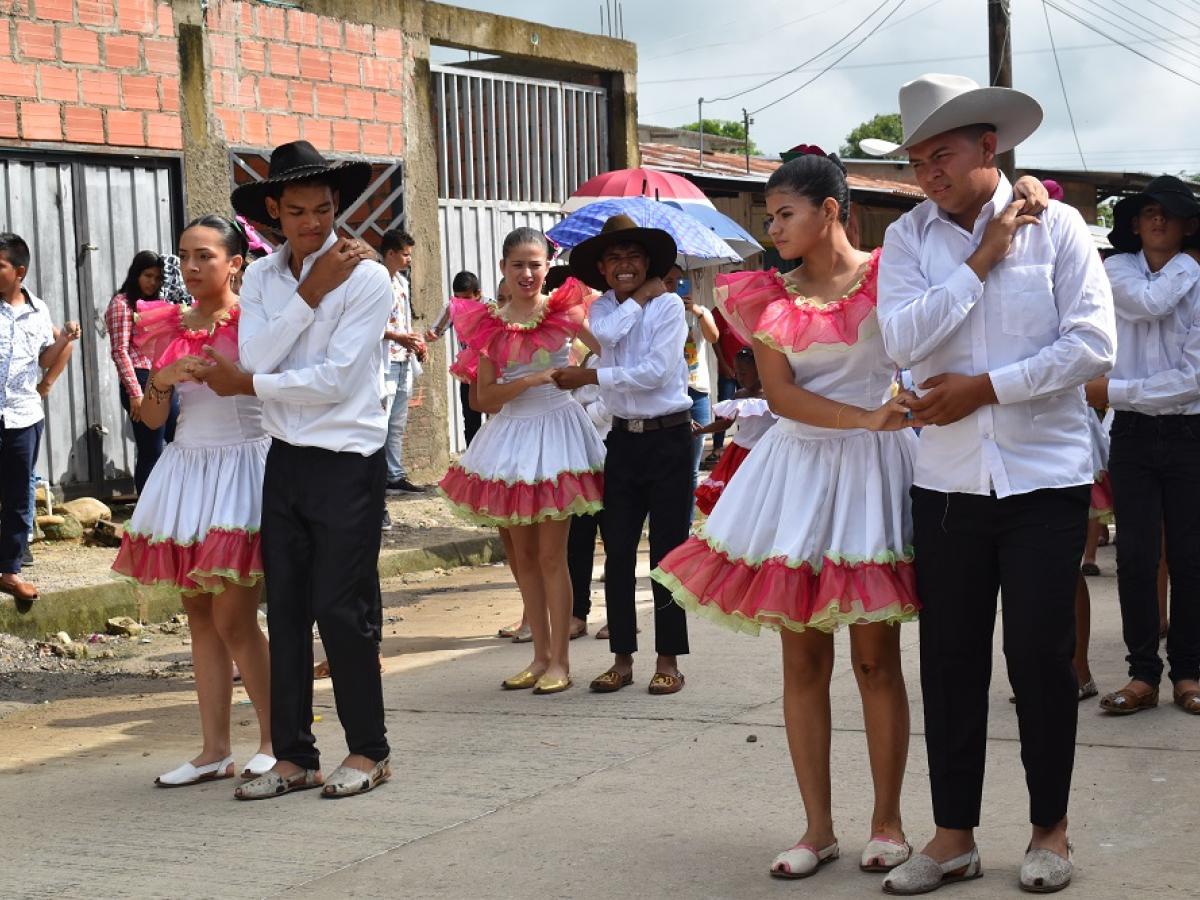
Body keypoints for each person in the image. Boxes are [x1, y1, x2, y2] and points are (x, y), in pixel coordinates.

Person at [868, 74, 1115, 894]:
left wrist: (987, 386)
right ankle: (952, 835)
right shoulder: (907, 240)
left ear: (988, 147)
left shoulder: (1064, 228)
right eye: (916, 161)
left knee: (1041, 655)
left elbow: (1090, 347)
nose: (927, 173)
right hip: (946, 483)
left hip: (1045, 478)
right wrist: (983, 256)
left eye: (942, 154)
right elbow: (900, 337)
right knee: (950, 657)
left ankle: (1051, 830)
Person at [650, 153, 920, 879]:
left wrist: (886, 417)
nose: (773, 229)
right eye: (770, 217)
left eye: (784, 214)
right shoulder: (766, 293)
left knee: (875, 659)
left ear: (830, 210)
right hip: (800, 470)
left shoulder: (892, 272)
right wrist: (864, 418)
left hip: (874, 473)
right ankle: (817, 828)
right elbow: (783, 396)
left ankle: (888, 824)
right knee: (802, 657)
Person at [211, 140, 392, 800]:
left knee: (341, 610)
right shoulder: (261, 278)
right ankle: (294, 756)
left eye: (322, 209)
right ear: (273, 212)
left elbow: (337, 382)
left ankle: (370, 750)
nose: (313, 224)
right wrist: (310, 294)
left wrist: (252, 385)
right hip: (284, 459)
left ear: (336, 204)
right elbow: (256, 350)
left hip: (348, 461)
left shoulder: (370, 278)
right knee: (285, 611)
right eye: (297, 212)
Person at [111, 215, 274, 787]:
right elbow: (152, 418)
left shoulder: (256, 319)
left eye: (206, 255)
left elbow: (275, 389)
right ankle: (213, 751)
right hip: (186, 469)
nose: (193, 266)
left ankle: (277, 741)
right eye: (185, 255)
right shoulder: (165, 323)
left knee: (234, 614)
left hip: (243, 468)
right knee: (199, 616)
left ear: (235, 263)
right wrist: (163, 379)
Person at [438, 227, 605, 694]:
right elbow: (483, 397)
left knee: (553, 555)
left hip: (558, 436)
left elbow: (610, 351)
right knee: (524, 557)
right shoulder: (488, 323)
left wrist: (581, 375)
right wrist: (532, 382)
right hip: (510, 439)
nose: (527, 273)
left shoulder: (565, 310)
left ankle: (561, 661)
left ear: (547, 266)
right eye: (518, 265)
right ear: (503, 270)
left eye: (535, 264)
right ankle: (538, 655)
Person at [554, 214, 693, 695]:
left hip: (670, 438)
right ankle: (622, 658)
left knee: (669, 551)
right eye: (614, 259)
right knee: (615, 551)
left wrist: (591, 378)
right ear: (603, 268)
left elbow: (656, 373)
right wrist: (637, 297)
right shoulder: (605, 311)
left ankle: (669, 658)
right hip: (623, 441)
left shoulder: (671, 306)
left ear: (650, 263)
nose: (624, 265)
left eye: (634, 257)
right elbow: (610, 338)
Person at [1086, 176, 1200, 718]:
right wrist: (1190, 265)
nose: (1158, 221)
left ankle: (1189, 673)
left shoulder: (1194, 276)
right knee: (1133, 557)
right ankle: (1141, 673)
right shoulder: (1115, 271)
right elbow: (1151, 303)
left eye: (1170, 214)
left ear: (1186, 225)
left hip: (1186, 433)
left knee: (1190, 557)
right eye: (1150, 213)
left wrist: (1115, 392)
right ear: (1134, 223)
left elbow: (1195, 380)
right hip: (1131, 434)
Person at [0, 233, 80, 604]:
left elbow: (44, 359)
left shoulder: (39, 311)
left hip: (22, 416)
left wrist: (63, 340)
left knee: (18, 496)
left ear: (19, 271)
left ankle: (10, 571)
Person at [104, 250, 180, 494]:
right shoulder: (122, 304)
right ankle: (146, 516)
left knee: (180, 439)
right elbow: (119, 351)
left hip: (163, 377)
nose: (153, 282)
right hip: (139, 378)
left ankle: (172, 502)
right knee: (151, 449)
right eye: (147, 275)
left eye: (158, 278)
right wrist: (135, 393)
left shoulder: (155, 304)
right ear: (136, 274)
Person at [691, 347, 775, 516]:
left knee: (763, 494)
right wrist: (703, 430)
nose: (739, 377)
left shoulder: (773, 396)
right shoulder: (739, 395)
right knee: (738, 494)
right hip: (740, 454)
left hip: (767, 453)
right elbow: (725, 423)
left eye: (744, 373)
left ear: (760, 369)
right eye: (737, 372)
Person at [665, 265, 720, 496]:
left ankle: (685, 524)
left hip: (696, 391)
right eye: (669, 281)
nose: (675, 286)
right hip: (668, 392)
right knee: (667, 462)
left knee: (692, 465)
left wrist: (696, 311)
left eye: (680, 281)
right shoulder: (657, 312)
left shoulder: (700, 312)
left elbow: (713, 336)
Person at [380, 229, 426, 500]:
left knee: (397, 422)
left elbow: (405, 321)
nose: (409, 259)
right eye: (405, 254)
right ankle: (377, 474)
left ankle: (394, 475)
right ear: (391, 254)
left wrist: (417, 343)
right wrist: (396, 336)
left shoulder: (400, 283)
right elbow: (366, 325)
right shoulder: (375, 282)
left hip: (402, 359)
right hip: (384, 359)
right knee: (381, 420)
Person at [428, 271, 487, 447]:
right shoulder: (452, 308)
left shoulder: (491, 307)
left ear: (478, 294)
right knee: (471, 422)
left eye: (466, 298)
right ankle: (472, 465)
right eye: (458, 298)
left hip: (492, 373)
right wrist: (428, 336)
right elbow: (435, 331)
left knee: (496, 421)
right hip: (468, 376)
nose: (462, 303)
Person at [705, 307, 748, 466]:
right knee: (725, 409)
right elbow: (714, 341)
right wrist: (723, 364)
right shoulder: (719, 311)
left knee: (747, 409)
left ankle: (742, 446)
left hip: (748, 371)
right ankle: (717, 448)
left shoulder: (746, 307)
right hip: (728, 370)